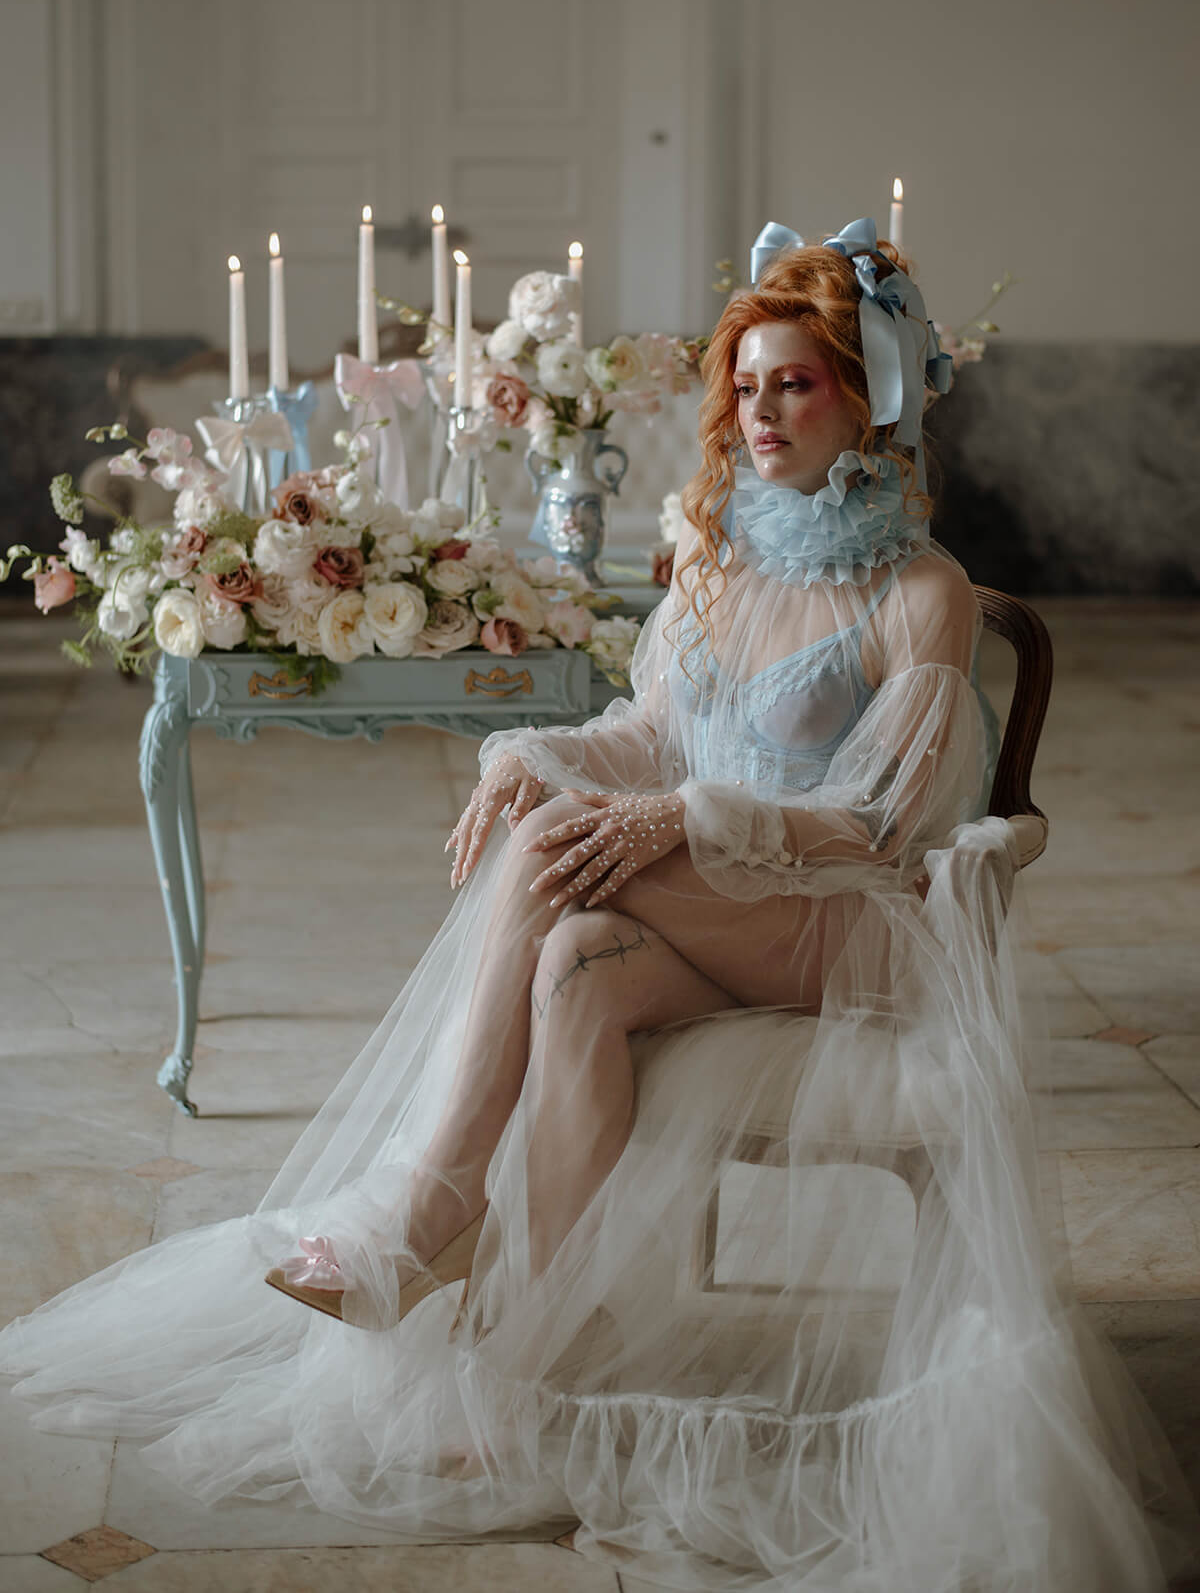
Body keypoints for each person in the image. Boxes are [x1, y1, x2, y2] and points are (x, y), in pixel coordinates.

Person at [2, 222, 1195, 1592]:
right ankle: (524, 1370)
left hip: (854, 924)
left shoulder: (919, 590)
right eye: (745, 386)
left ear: (867, 400)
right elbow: (650, 733)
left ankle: (434, 1202)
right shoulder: (715, 557)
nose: (761, 413)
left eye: (796, 384)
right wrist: (535, 756)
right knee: (572, 961)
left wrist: (684, 819)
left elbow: (880, 819)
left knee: (560, 860)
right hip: (720, 908)